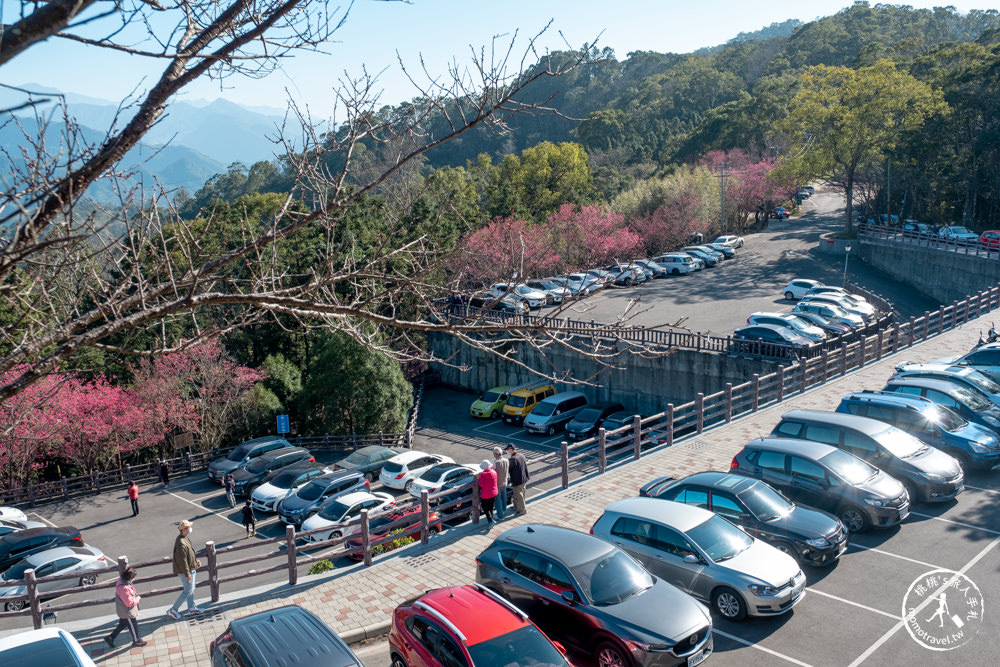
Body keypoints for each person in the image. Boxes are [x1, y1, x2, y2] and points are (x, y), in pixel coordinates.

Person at [167, 520, 203, 619]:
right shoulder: (181, 542)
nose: (190, 529)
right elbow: (182, 561)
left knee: (191, 590)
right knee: (187, 591)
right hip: (186, 572)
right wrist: (187, 574)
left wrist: (195, 562)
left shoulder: (184, 538)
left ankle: (191, 608)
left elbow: (189, 554)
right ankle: (173, 610)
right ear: (183, 530)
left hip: (190, 569)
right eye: (188, 527)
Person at [105, 567, 147, 648]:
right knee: (133, 625)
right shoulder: (123, 589)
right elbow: (129, 603)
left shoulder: (121, 581)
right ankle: (136, 640)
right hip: (127, 611)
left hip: (123, 610)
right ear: (129, 578)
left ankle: (110, 638)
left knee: (122, 624)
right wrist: (137, 599)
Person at [506, 443, 529, 515]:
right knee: (521, 493)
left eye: (508, 450)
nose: (507, 451)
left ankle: (522, 510)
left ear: (511, 450)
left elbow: (508, 469)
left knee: (518, 495)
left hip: (517, 480)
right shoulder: (521, 455)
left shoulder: (512, 459)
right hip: (524, 478)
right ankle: (516, 507)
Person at [477, 459, 498, 525]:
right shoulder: (494, 472)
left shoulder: (483, 475)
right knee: (491, 506)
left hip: (486, 494)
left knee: (485, 507)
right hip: (494, 492)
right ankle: (491, 519)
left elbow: (481, 484)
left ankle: (491, 521)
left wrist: (479, 478)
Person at [492, 446, 509, 520]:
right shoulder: (506, 460)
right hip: (504, 482)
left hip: (497, 483)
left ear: (496, 454)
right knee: (504, 497)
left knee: (497, 500)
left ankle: (500, 515)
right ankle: (504, 510)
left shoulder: (495, 462)